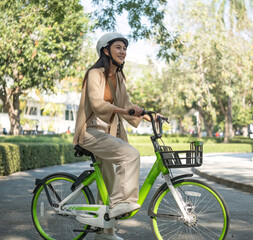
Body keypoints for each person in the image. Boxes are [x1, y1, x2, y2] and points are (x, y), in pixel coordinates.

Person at [73, 32, 152, 240]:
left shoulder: (118, 77)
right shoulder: (95, 74)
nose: (123, 51)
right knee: (131, 155)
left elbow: (127, 106)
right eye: (118, 47)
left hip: (107, 134)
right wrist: (124, 110)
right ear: (106, 50)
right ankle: (120, 203)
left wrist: (147, 116)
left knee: (107, 187)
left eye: (125, 48)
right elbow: (98, 104)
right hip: (90, 132)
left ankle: (104, 233)